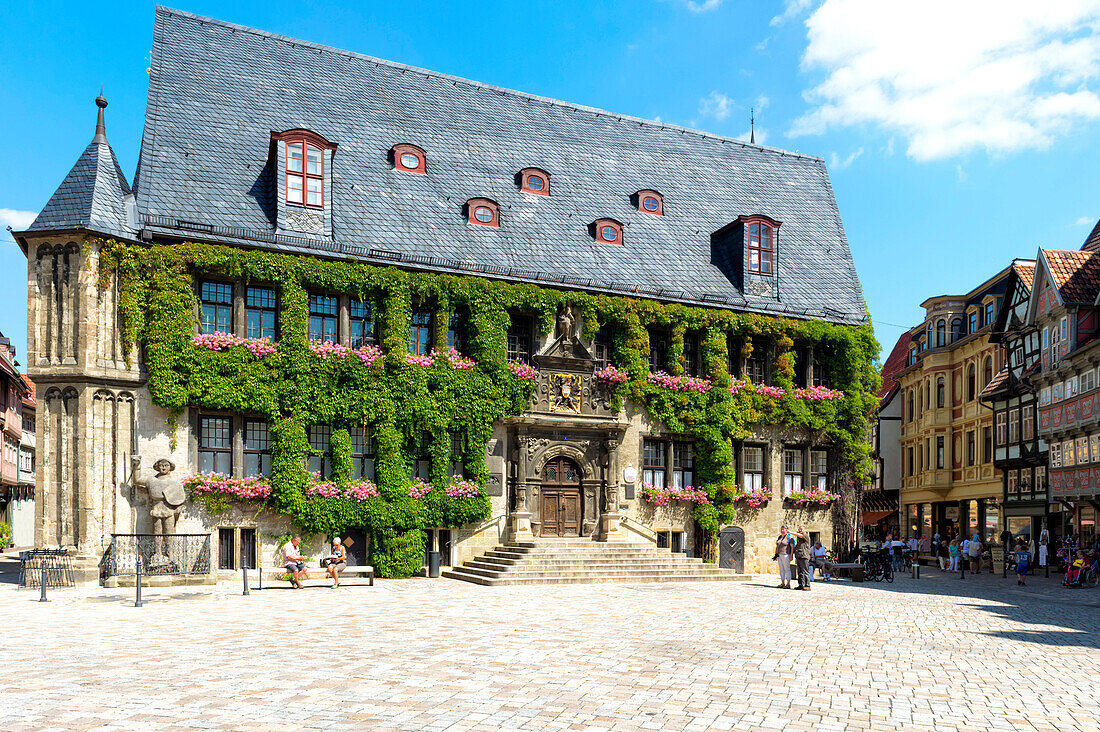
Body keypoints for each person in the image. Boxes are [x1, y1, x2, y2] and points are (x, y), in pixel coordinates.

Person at [793, 525, 813, 591]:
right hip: (799, 556)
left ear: (805, 530)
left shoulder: (805, 536)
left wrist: (790, 532)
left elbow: (800, 535)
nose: (800, 530)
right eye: (799, 529)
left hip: (804, 556)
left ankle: (807, 585)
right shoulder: (799, 538)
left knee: (805, 572)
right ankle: (801, 584)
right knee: (800, 572)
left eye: (801, 529)